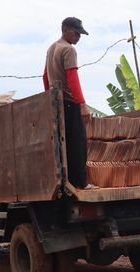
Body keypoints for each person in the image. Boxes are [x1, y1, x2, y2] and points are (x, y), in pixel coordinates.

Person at [43, 17, 95, 189]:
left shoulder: (52, 48)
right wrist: (82, 104)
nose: (78, 37)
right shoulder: (68, 49)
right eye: (76, 33)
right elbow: (73, 79)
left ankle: (69, 181)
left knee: (65, 144)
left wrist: (49, 98)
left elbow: (45, 76)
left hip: (57, 103)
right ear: (65, 30)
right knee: (78, 144)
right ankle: (81, 182)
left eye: (80, 34)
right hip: (69, 103)